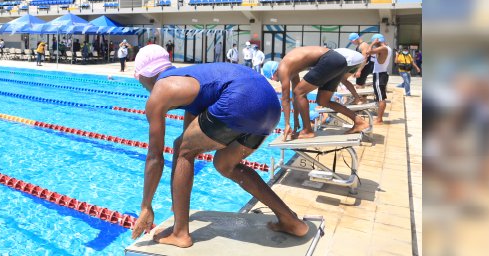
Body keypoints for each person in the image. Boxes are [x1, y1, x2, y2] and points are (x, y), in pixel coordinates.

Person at [130, 45, 309, 247]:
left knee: (180, 149)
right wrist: (177, 199)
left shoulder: (161, 89)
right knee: (225, 164)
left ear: (145, 75)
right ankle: (289, 220)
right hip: (269, 105)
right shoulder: (189, 79)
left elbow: (155, 156)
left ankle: (180, 233)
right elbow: (190, 141)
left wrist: (146, 206)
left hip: (240, 98)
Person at [262, 46, 369, 140]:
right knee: (322, 100)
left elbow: (285, 99)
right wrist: (295, 121)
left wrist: (286, 125)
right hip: (339, 61)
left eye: (275, 79)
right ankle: (359, 121)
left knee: (299, 92)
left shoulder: (283, 68)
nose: (277, 81)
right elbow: (295, 97)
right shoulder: (291, 69)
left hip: (330, 59)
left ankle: (307, 131)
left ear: (274, 72)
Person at [366, 34, 392, 124]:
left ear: (377, 41)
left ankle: (379, 119)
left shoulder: (383, 48)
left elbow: (368, 52)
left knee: (381, 98)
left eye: (375, 42)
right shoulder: (387, 48)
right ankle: (379, 118)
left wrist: (372, 43)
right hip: (382, 74)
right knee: (379, 97)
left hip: (379, 75)